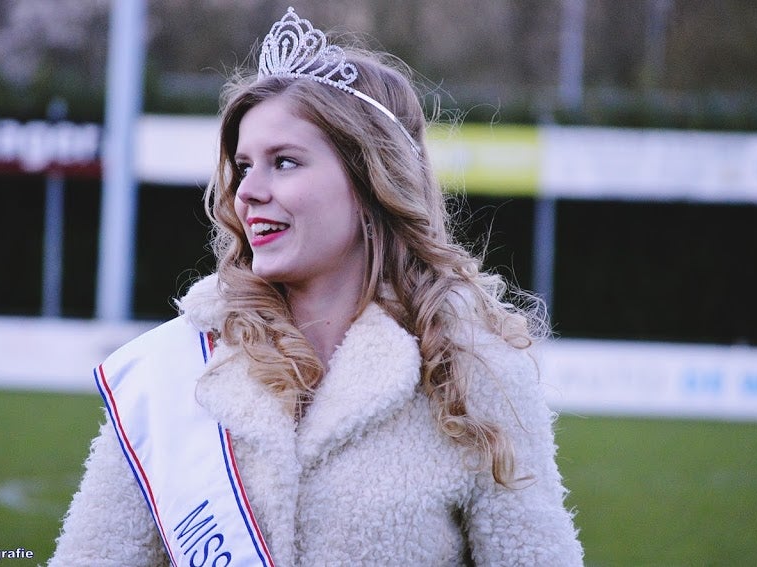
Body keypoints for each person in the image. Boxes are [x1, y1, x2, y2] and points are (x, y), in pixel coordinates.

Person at [48, 7, 583, 566]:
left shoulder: (474, 369)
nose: (247, 192)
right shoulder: (177, 369)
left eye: (284, 162)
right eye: (243, 165)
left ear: (371, 182)